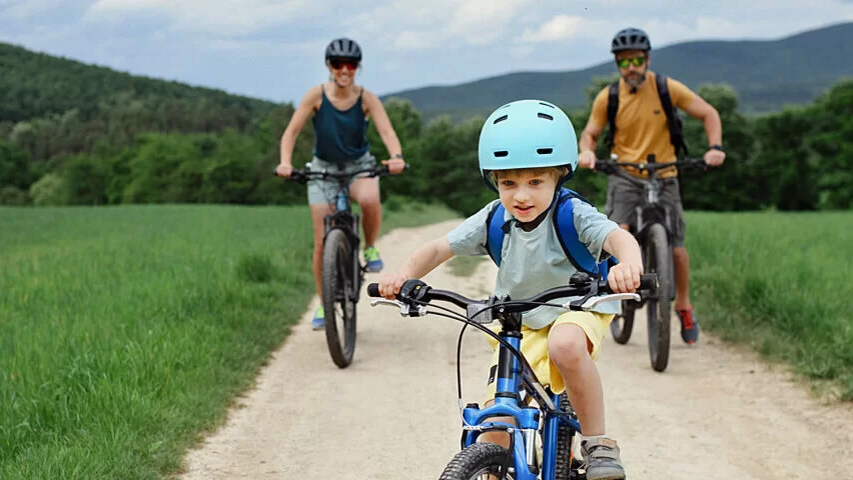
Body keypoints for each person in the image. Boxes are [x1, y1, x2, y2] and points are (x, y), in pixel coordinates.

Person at [377, 100, 642, 480]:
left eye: (536, 182)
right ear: (494, 181)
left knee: (565, 346)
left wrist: (630, 264)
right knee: (496, 427)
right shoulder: (494, 218)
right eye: (508, 183)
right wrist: (403, 276)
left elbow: (618, 238)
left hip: (576, 308)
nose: (521, 195)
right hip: (516, 320)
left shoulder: (572, 213)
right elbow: (438, 247)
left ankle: (598, 442)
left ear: (558, 176)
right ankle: (490, 466)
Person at [577, 27, 727, 346]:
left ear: (647, 59)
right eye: (623, 61)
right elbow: (590, 133)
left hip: (665, 172)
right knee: (618, 232)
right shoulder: (609, 96)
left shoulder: (665, 88)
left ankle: (683, 306)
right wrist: (587, 152)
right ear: (617, 64)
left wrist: (715, 147)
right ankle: (616, 301)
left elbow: (709, 113)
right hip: (625, 173)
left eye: (636, 60)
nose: (631, 67)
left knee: (675, 244)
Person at [276, 37, 406, 330]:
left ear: (358, 67)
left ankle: (370, 247)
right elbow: (291, 132)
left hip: (358, 165)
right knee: (322, 240)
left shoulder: (366, 98)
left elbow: (387, 131)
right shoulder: (316, 96)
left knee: (370, 199)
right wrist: (285, 162)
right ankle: (324, 304)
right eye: (338, 64)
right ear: (329, 67)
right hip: (323, 168)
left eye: (350, 64)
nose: (344, 70)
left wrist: (396, 156)